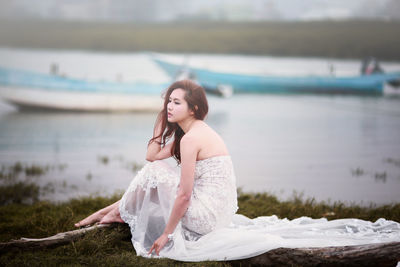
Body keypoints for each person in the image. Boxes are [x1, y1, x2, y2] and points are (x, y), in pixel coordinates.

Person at [75, 80, 400, 262]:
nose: (170, 106)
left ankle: (113, 212)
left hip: (203, 213)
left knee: (155, 173)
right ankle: (113, 211)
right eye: (168, 101)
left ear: (195, 108)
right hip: (217, 210)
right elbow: (150, 154)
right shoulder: (194, 131)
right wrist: (163, 118)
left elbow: (184, 193)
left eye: (176, 103)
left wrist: (166, 234)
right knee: (155, 169)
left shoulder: (192, 140)